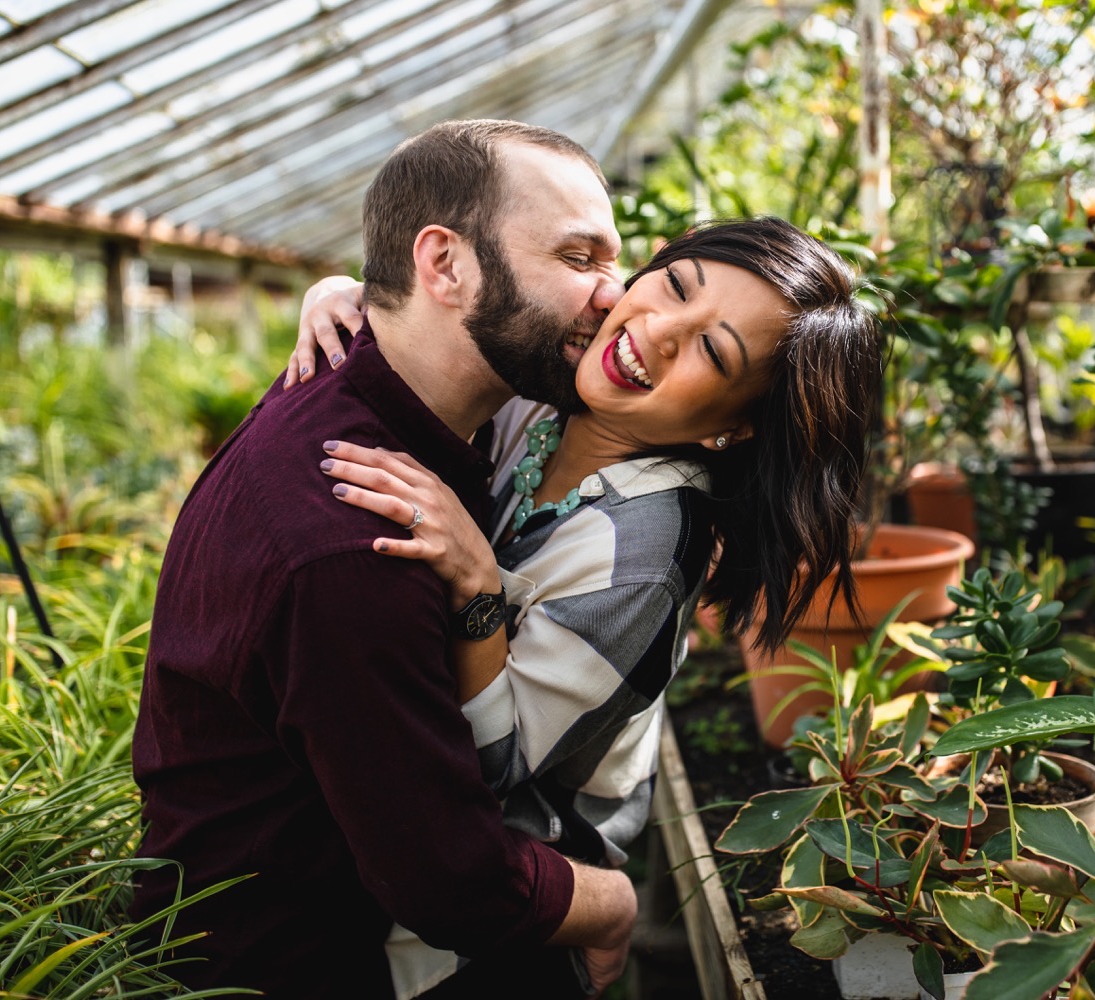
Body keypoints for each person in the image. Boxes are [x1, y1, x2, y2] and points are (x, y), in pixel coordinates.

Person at [289, 216, 882, 996]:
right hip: (406, 874)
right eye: (673, 286)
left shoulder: (642, 561)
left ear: (735, 428)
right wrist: (346, 301)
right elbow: (439, 335)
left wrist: (478, 585)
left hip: (500, 930)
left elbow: (487, 762)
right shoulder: (555, 391)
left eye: (712, 351)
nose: (660, 331)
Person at [130, 119, 642, 1000]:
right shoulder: (358, 539)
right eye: (580, 256)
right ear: (443, 265)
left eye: (615, 259)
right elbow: (452, 879)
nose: (615, 294)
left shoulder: (371, 386)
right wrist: (613, 902)